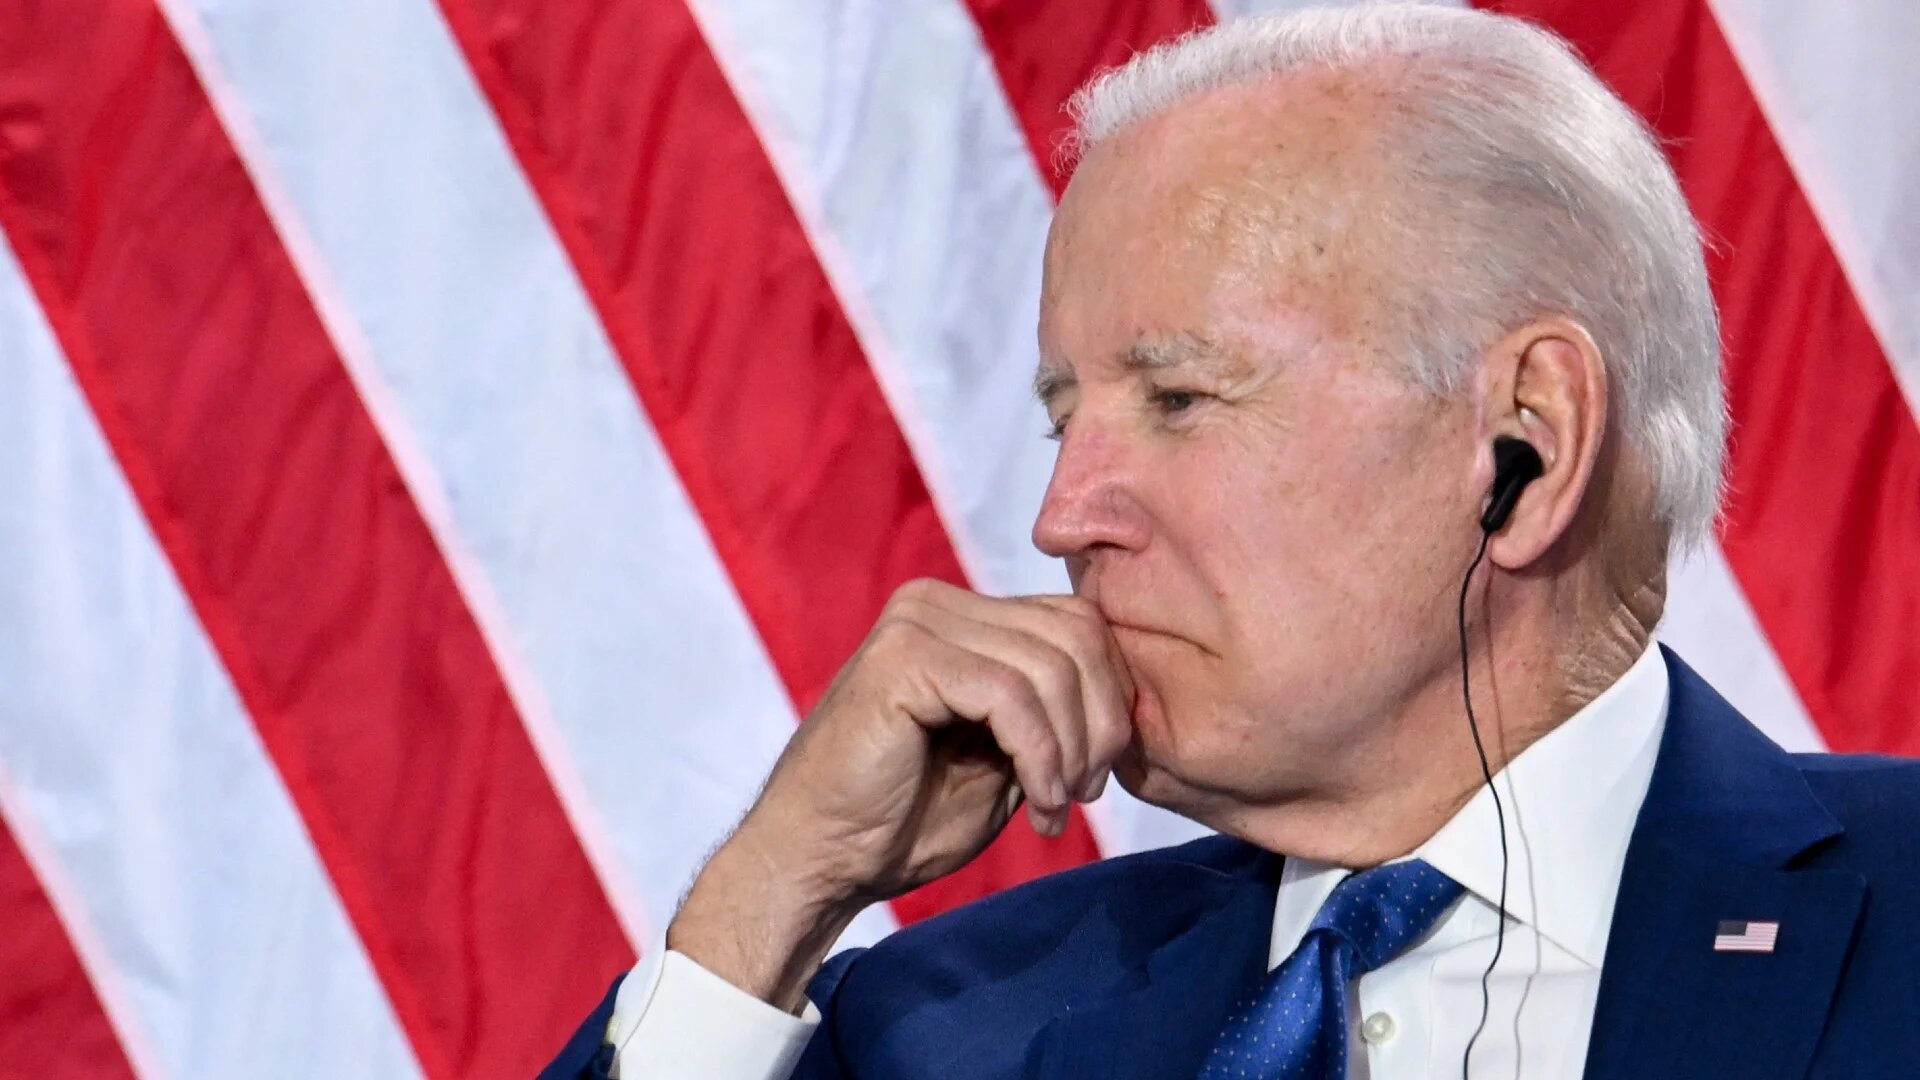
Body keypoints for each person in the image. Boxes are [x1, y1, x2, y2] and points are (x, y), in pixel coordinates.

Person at [545, 6, 1920, 1077]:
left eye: (1180, 399)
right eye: (1064, 418)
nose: (1063, 517)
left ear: (1526, 446)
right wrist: (766, 903)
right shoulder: (939, 1028)